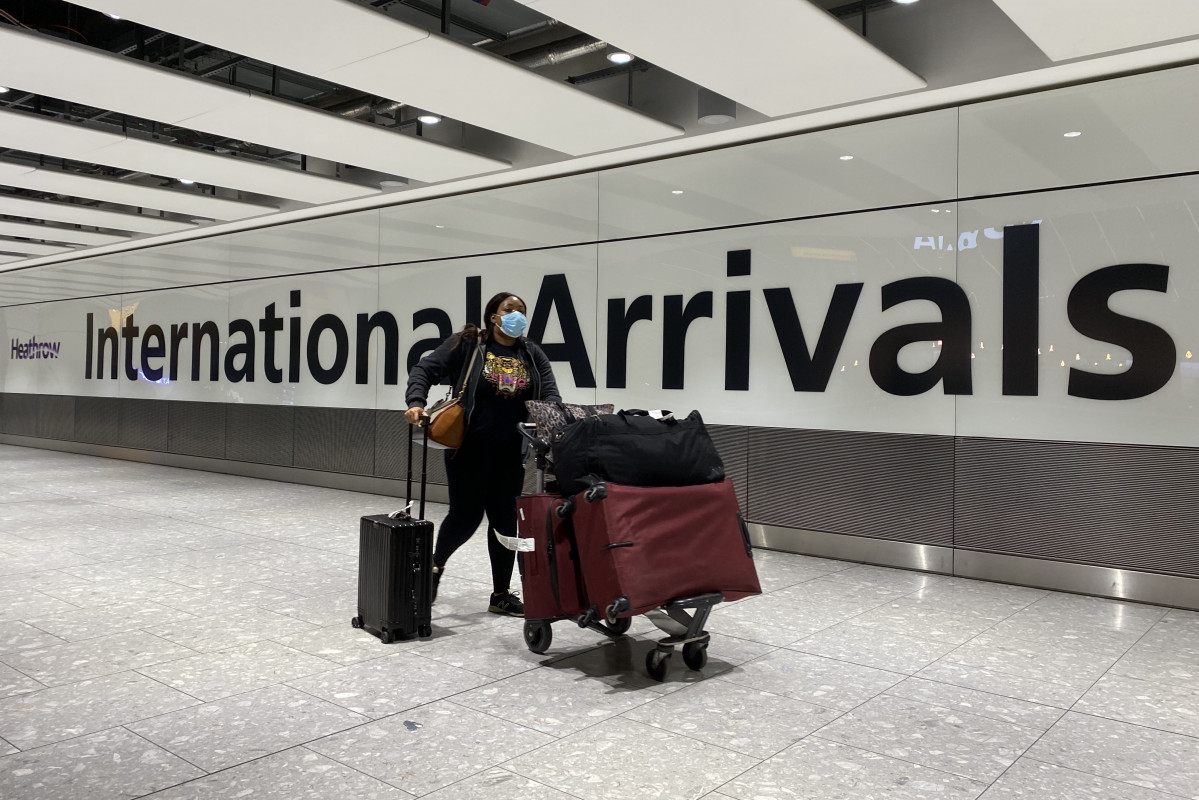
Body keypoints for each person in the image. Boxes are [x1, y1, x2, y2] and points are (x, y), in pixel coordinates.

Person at [404, 291, 560, 616]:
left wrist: (555, 421)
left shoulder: (530, 353)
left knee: (505, 523)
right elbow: (425, 369)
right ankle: (433, 568)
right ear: (494, 316)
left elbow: (550, 392)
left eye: (521, 310)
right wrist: (416, 402)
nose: (516, 314)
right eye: (509, 309)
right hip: (469, 449)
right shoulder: (470, 343)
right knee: (466, 516)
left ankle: (500, 594)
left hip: (510, 453)